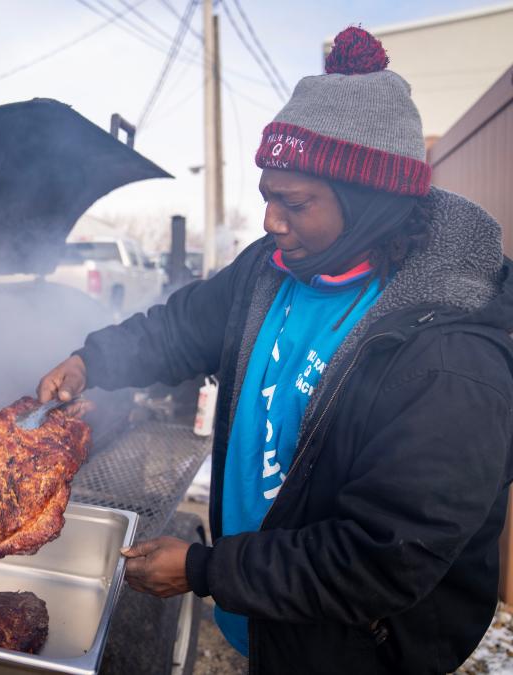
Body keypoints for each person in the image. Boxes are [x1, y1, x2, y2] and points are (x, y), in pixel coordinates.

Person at [37, 27, 513, 674]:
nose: (269, 221)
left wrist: (204, 568)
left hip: (354, 652)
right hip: (264, 620)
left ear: (370, 205)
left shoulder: (451, 355)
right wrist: (92, 360)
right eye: (267, 195)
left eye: (294, 202)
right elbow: (181, 327)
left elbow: (377, 558)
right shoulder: (273, 267)